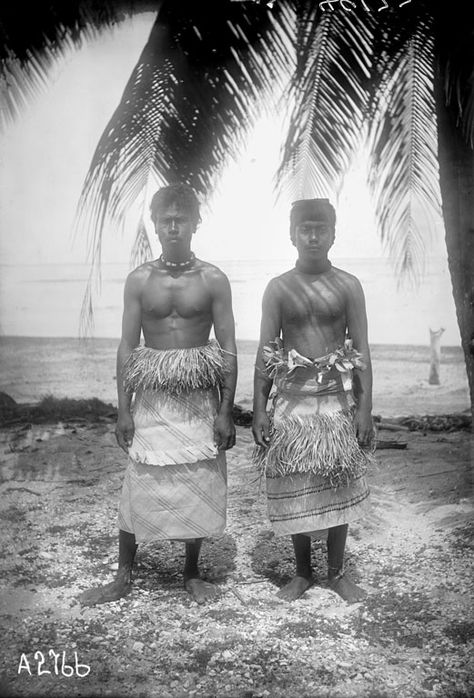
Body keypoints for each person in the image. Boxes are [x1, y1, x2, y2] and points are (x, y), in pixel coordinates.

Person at [79, 183, 237, 606]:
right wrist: (122, 410)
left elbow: (227, 349)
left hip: (197, 395)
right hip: (151, 395)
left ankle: (191, 572)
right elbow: (127, 347)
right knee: (138, 481)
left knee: (197, 479)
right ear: (154, 224)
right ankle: (123, 574)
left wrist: (226, 410)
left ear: (195, 223)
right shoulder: (139, 280)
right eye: (164, 219)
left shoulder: (213, 279)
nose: (172, 226)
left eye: (180, 219)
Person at [252, 198, 373, 603]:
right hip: (292, 400)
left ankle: (336, 573)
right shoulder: (279, 288)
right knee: (297, 481)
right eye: (305, 228)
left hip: (335, 401)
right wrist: (257, 409)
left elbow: (362, 351)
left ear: (334, 234)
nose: (313, 235)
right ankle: (302, 572)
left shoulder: (348, 285)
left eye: (321, 228)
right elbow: (267, 352)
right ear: (292, 234)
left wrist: (366, 410)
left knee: (337, 482)